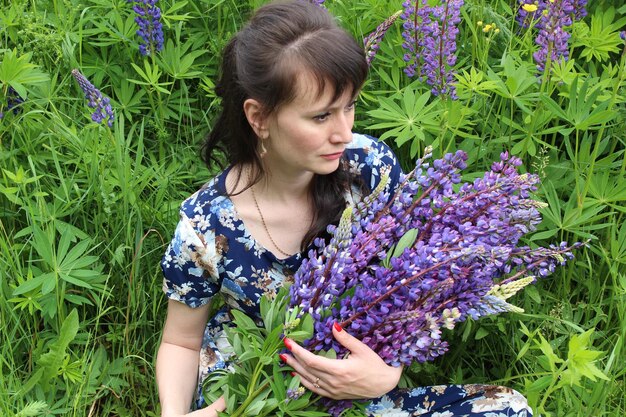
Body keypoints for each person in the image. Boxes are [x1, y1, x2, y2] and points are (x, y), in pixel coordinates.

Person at [156, 1, 533, 416]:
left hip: (347, 383)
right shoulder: (205, 226)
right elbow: (180, 341)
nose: (345, 131)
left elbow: (412, 286)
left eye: (349, 106)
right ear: (259, 117)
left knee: (508, 409)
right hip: (247, 389)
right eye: (321, 117)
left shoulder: (368, 168)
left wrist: (387, 373)